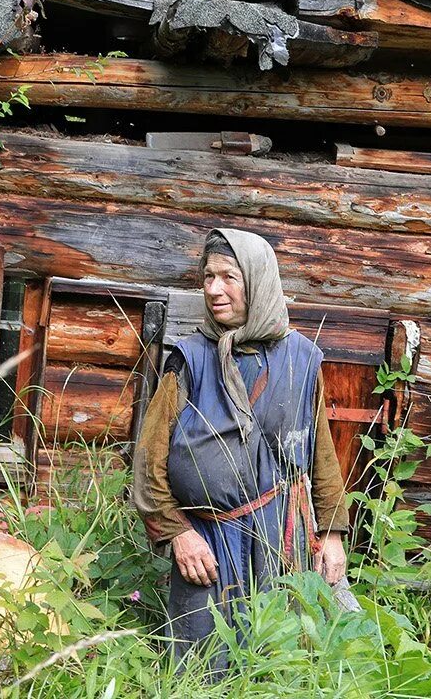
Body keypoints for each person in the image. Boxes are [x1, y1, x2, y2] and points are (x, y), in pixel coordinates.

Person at [130, 227, 350, 666]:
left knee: (280, 658)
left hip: (281, 538)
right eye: (208, 277)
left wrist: (331, 533)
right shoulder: (189, 358)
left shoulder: (302, 359)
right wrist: (178, 533)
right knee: (201, 664)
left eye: (229, 277)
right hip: (206, 543)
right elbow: (148, 460)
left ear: (258, 279)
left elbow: (320, 454)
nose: (214, 289)